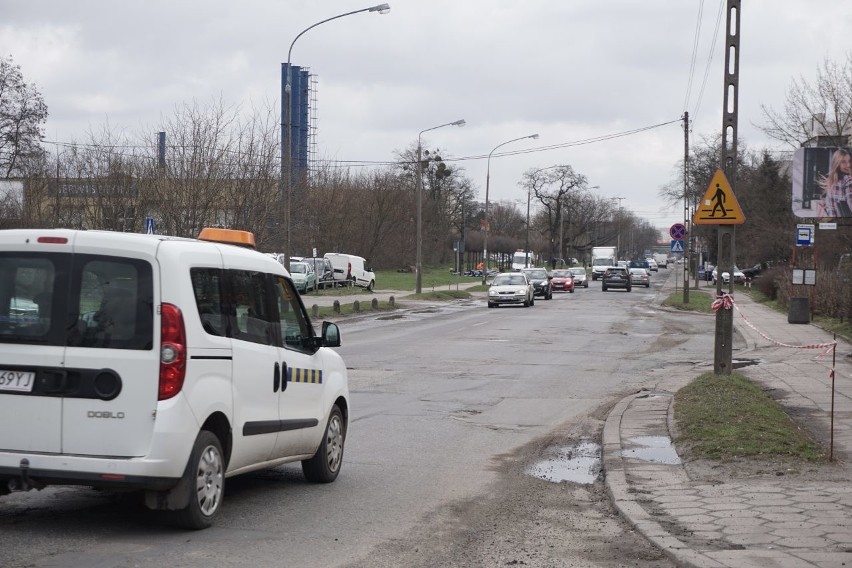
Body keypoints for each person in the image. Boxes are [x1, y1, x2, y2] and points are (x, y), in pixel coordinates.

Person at [817, 148, 852, 218]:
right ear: (837, 164)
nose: (848, 165)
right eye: (843, 162)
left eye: (850, 161)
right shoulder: (848, 180)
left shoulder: (831, 182)